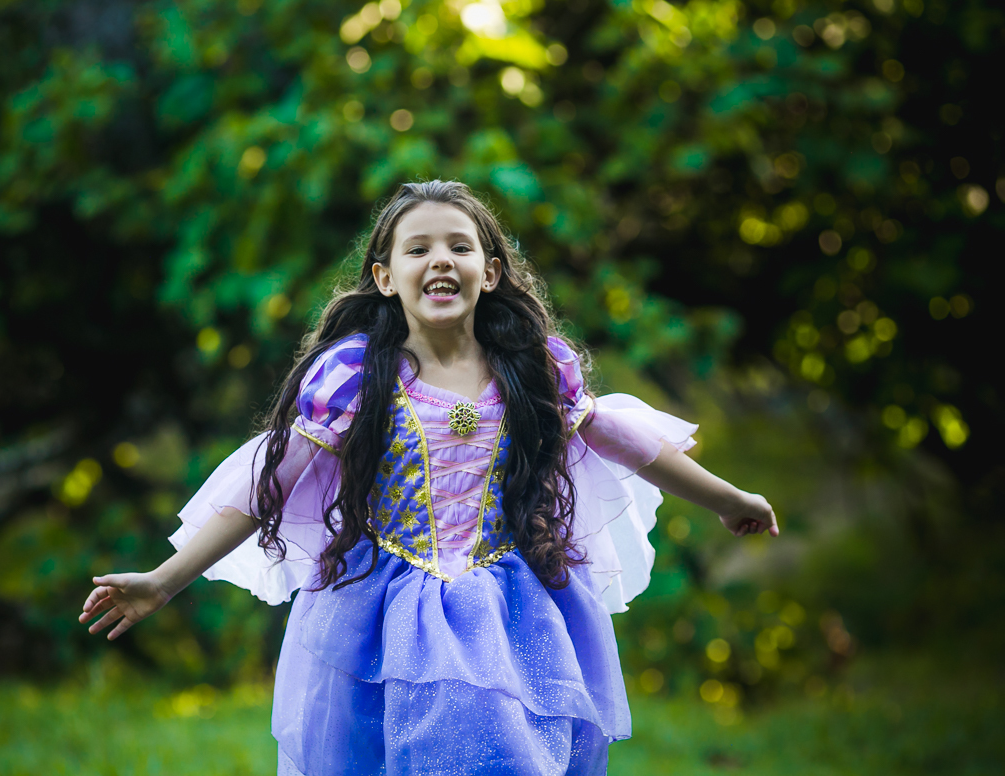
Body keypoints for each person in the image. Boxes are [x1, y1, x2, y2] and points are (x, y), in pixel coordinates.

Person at [79, 180, 778, 775]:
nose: (439, 260)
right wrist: (166, 578)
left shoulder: (535, 366)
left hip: (511, 610)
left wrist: (728, 499)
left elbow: (626, 441)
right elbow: (270, 485)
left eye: (459, 246)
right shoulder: (355, 376)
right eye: (418, 249)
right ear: (384, 277)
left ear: (491, 270)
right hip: (378, 610)